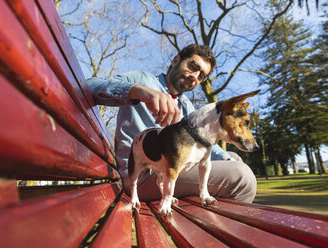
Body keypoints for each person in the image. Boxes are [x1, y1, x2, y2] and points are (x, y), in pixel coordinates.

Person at [87, 44, 257, 203]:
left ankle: (208, 226)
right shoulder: (142, 79)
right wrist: (137, 91)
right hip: (143, 173)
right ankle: (213, 231)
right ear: (176, 60)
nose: (194, 77)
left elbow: (204, 142)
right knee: (242, 177)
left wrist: (225, 157)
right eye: (193, 67)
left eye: (201, 76)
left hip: (174, 168)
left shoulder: (186, 106)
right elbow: (88, 86)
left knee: (234, 159)